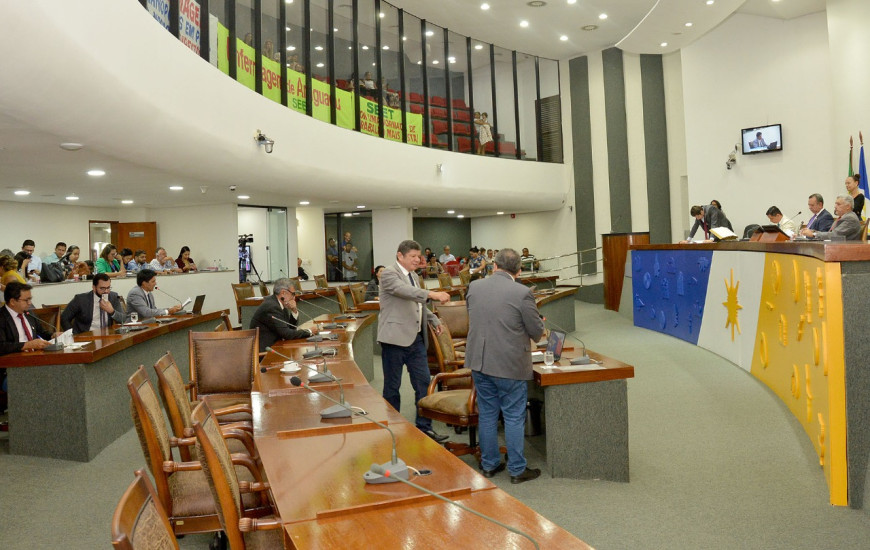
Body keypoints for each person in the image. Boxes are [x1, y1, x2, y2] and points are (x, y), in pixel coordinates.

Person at [465, 248, 544, 484]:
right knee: (512, 415)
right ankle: (517, 469)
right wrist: (537, 322)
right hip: (509, 364)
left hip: (479, 361)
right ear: (519, 271)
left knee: (488, 414)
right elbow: (537, 333)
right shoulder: (522, 293)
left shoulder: (475, 287)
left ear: (494, 266)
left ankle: (489, 465)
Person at [377, 240, 451, 442]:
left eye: (419, 256)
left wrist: (432, 317)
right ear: (400, 256)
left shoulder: (415, 276)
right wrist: (432, 294)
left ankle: (424, 428)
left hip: (416, 340)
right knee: (393, 386)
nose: (417, 260)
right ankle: (392, 429)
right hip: (394, 339)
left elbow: (416, 305)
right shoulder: (389, 274)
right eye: (413, 257)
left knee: (423, 383)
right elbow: (405, 292)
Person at [249, 277, 317, 353]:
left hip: (276, 346)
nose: (294, 298)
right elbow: (286, 334)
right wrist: (309, 331)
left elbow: (290, 328)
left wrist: (294, 311)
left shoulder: (279, 303)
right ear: (283, 293)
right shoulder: (272, 306)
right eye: (293, 294)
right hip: (266, 352)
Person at [60, 273, 126, 334]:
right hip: (86, 336)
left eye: (108, 288)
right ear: (94, 288)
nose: (106, 291)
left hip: (107, 336)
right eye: (102, 288)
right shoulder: (80, 299)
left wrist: (112, 311)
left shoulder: (113, 297)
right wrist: (72, 334)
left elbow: (124, 319)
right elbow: (64, 318)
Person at [1, 282, 54, 355]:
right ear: (12, 302)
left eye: (30, 299)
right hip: (13, 361)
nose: (30, 303)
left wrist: (52, 335)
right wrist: (27, 345)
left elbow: (41, 332)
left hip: (35, 356)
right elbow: (2, 346)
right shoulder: (2, 317)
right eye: (26, 300)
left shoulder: (29, 313)